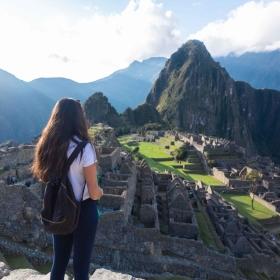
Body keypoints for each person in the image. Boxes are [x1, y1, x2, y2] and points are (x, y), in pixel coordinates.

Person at [31, 98, 103, 280]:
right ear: (79, 118)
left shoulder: (48, 146)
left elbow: (44, 176)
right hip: (84, 209)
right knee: (81, 266)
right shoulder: (85, 148)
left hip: (59, 207)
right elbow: (93, 191)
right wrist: (100, 193)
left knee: (59, 262)